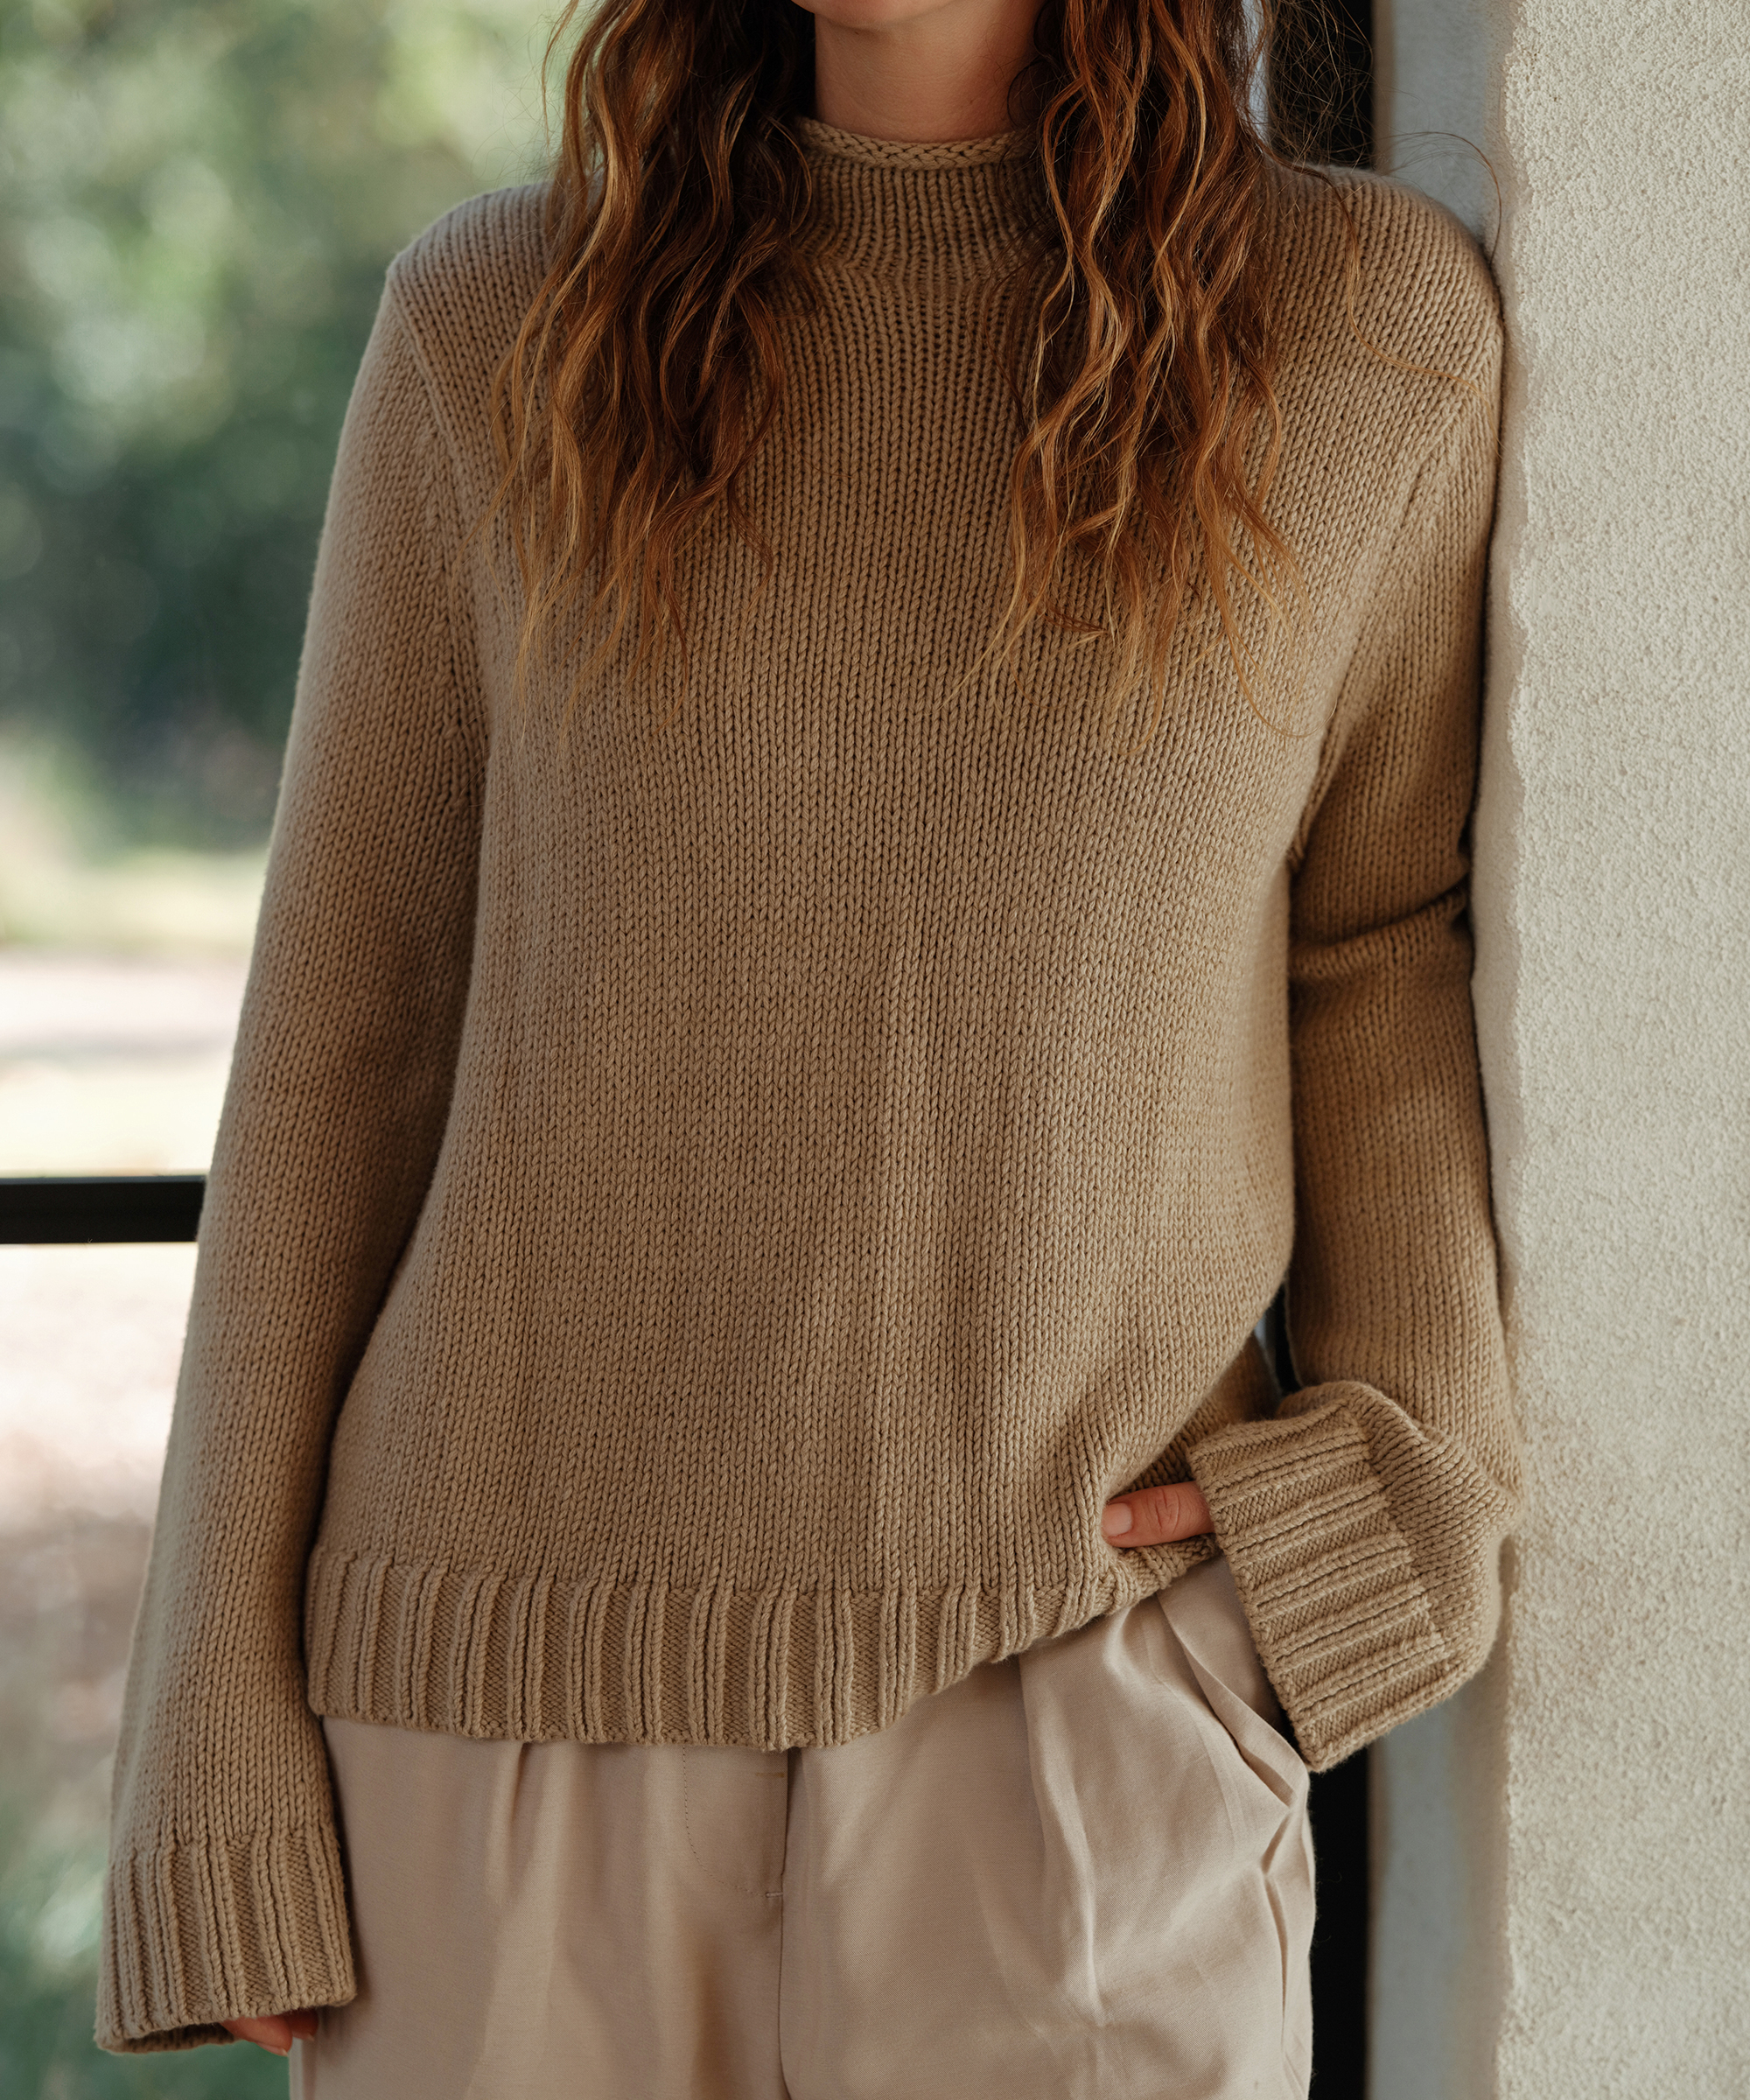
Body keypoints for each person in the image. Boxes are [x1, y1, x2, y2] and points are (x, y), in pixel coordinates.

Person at [95, 0, 1521, 2089]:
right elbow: (341, 1040)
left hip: (1078, 1698)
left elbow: (1375, 947)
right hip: (493, 1727)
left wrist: (1418, 1468)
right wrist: (206, 1724)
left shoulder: (1359, 332)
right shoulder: (496, 324)